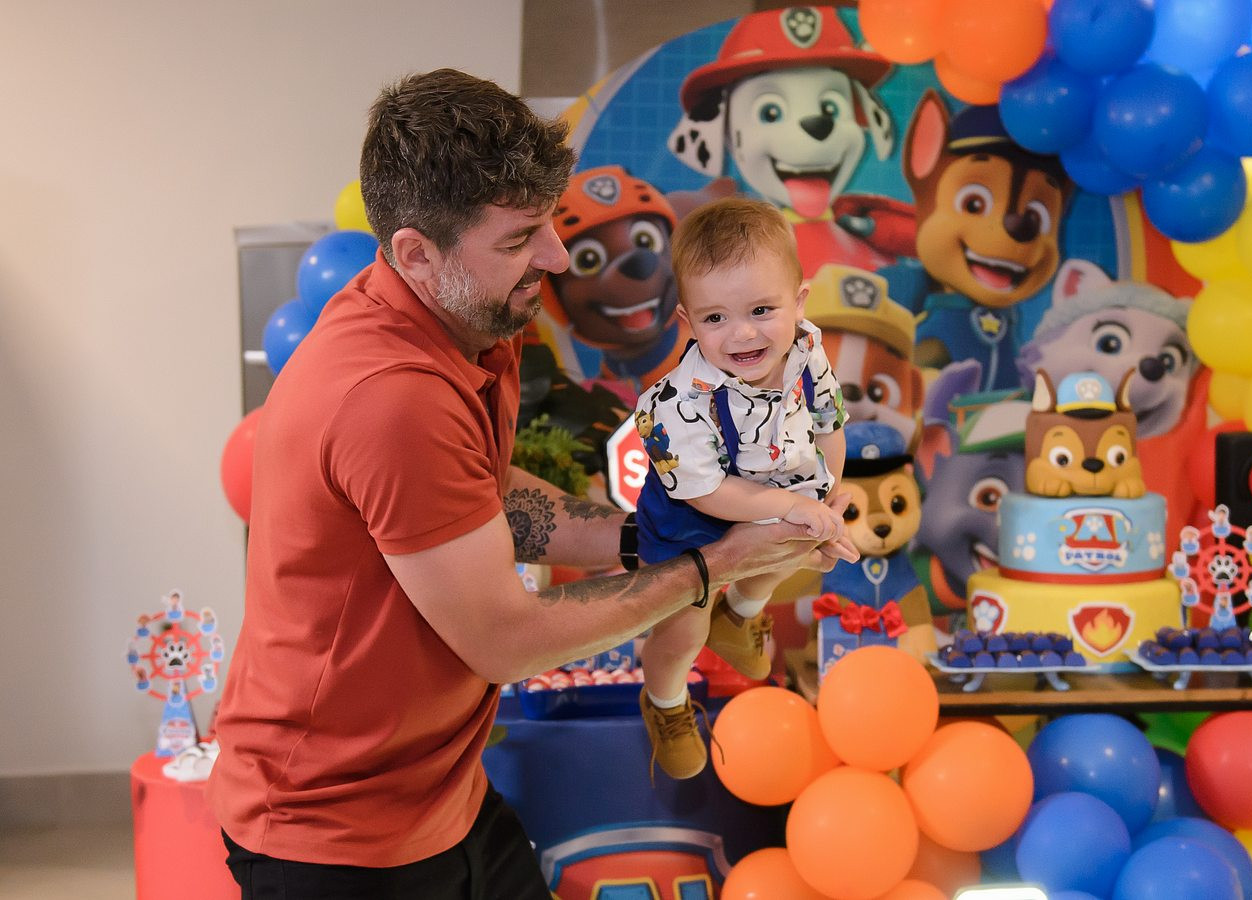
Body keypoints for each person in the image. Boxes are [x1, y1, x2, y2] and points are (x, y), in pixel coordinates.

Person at [206, 69, 842, 900]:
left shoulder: (466, 318)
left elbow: (474, 485)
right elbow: (505, 640)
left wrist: (651, 535)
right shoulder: (386, 396)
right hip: (332, 832)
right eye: (518, 240)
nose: (555, 256)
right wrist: (710, 566)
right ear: (416, 254)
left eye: (548, 223)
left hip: (445, 794)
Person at [633, 197, 861, 780]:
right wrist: (793, 505)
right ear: (687, 320)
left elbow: (829, 423)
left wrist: (825, 499)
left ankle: (740, 614)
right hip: (692, 513)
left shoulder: (806, 349)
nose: (742, 333)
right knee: (683, 628)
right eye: (715, 318)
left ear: (798, 302)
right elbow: (708, 494)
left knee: (795, 545)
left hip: (775, 482)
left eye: (762, 309)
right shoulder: (676, 403)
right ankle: (664, 700)